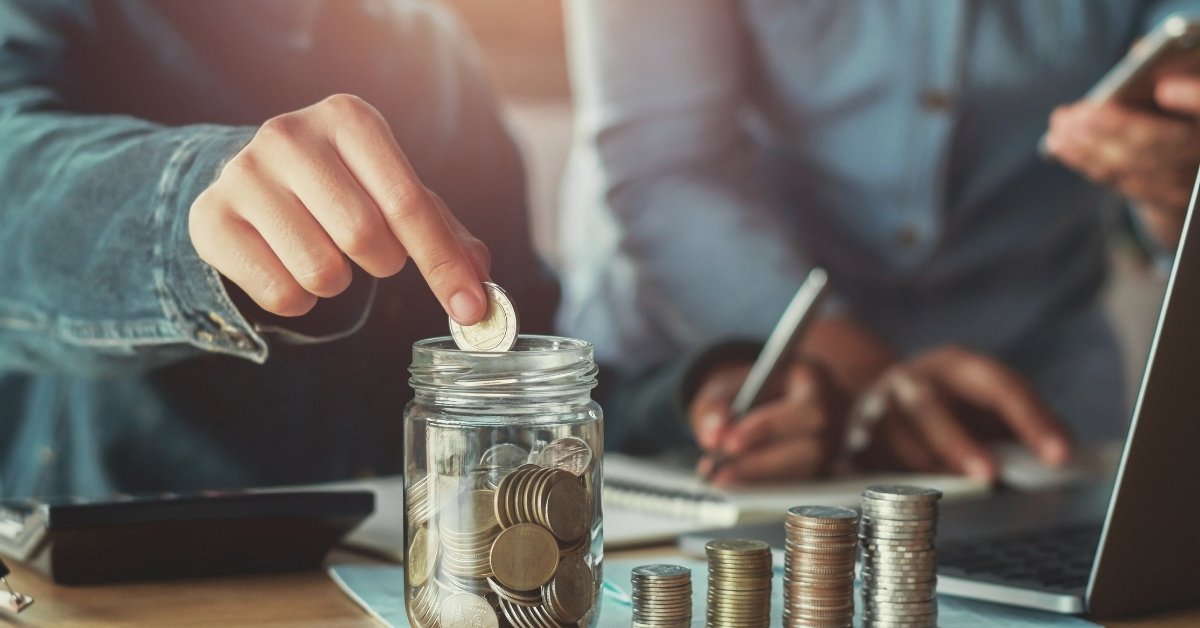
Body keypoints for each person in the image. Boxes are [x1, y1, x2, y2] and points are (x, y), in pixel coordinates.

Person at [556, 1, 1200, 485]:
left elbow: (1174, 152)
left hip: (1028, 405)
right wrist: (868, 378)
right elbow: (667, 169)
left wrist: (1174, 185)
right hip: (722, 396)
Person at [0, 0, 556, 498]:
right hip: (120, 559)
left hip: (391, 564)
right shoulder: (62, 14)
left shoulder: (437, 55)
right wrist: (194, 200)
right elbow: (16, 179)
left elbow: (526, 340)